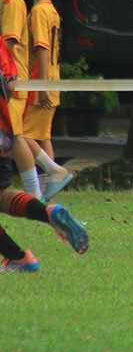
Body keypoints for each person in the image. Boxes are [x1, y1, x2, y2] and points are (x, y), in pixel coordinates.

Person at [0, 37, 89, 272]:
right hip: (2, 132)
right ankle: (49, 213)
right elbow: (10, 86)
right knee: (1, 197)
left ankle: (19, 258)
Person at [22, 0, 73, 200]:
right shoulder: (52, 11)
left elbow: (42, 49)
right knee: (43, 136)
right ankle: (52, 183)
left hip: (40, 82)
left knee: (21, 135)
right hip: (53, 81)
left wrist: (41, 86)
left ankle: (54, 170)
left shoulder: (38, 12)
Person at [0, 0, 43, 199]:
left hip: (11, 78)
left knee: (16, 136)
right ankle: (52, 172)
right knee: (14, 134)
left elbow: (8, 43)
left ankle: (36, 194)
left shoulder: (11, 0)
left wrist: (7, 78)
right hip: (5, 77)